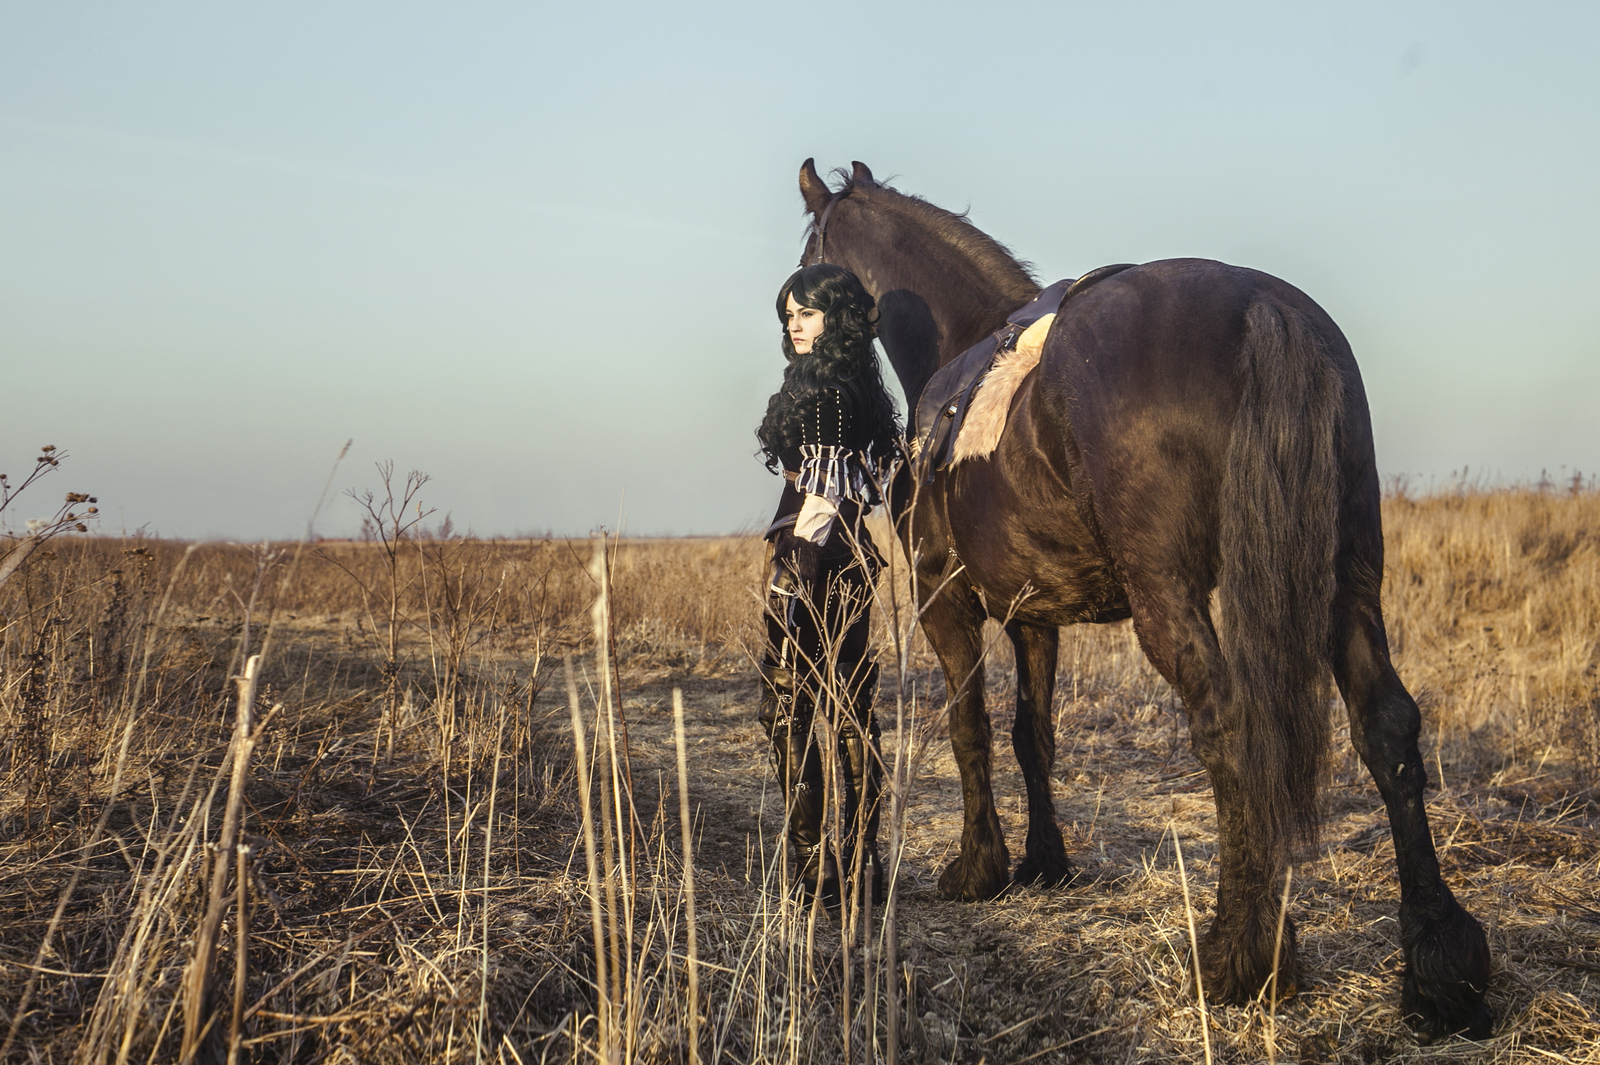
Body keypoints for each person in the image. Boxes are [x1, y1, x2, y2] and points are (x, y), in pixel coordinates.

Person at [755, 263, 901, 907]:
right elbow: (865, 480)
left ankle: (816, 870)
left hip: (812, 553)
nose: (795, 323)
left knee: (789, 710)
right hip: (851, 557)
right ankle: (862, 862)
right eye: (789, 314)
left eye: (807, 312)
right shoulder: (862, 386)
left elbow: (820, 485)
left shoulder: (819, 387)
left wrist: (801, 556)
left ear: (835, 318)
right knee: (850, 708)